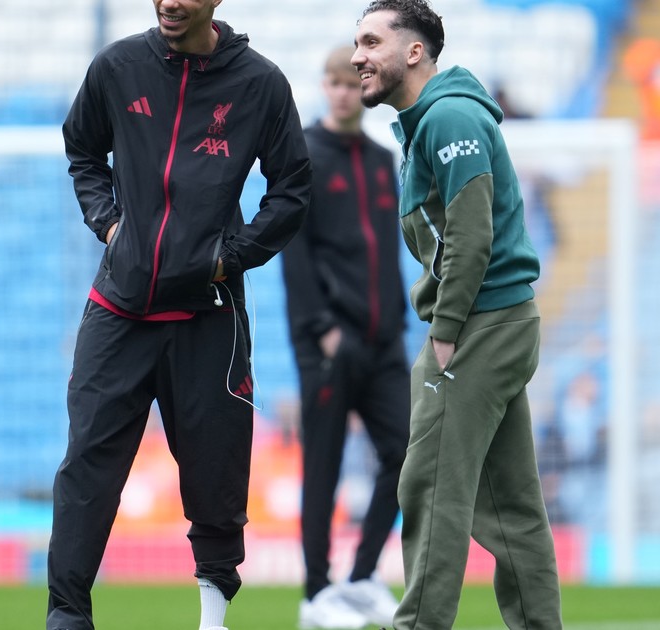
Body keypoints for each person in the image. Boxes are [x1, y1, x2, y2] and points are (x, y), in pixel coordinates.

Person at [47, 1, 312, 628]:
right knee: (87, 469)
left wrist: (229, 258)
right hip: (119, 310)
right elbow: (82, 150)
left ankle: (212, 620)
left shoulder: (261, 83)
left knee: (217, 475)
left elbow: (291, 189)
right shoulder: (117, 67)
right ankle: (67, 617)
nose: (168, 1)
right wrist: (108, 224)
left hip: (208, 314)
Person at [351, 1, 564, 627]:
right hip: (500, 321)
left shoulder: (448, 117)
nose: (358, 56)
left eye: (371, 42)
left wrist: (445, 334)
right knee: (511, 508)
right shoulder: (434, 119)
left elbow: (472, 236)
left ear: (414, 51)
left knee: (431, 487)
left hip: (478, 326)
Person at [280, 44, 407, 630]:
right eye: (334, 82)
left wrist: (398, 321)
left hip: (384, 343)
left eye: (352, 83)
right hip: (328, 343)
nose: (343, 92)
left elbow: (387, 252)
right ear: (324, 87)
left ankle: (359, 579)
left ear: (367, 89)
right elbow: (295, 252)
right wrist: (321, 329)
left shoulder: (382, 160)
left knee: (409, 455)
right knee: (324, 467)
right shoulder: (303, 155)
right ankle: (315, 593)